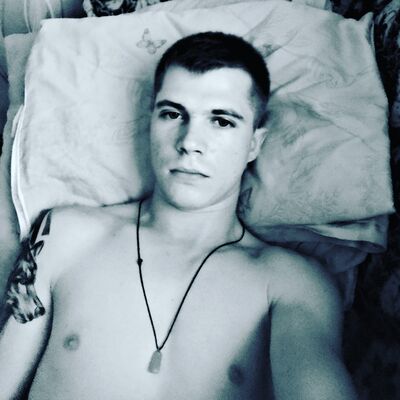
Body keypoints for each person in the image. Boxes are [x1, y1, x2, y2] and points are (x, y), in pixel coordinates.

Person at [0, 32, 357, 399]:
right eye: (172, 114)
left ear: (254, 143)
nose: (189, 142)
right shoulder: (66, 234)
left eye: (221, 121)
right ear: (151, 121)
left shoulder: (288, 283)